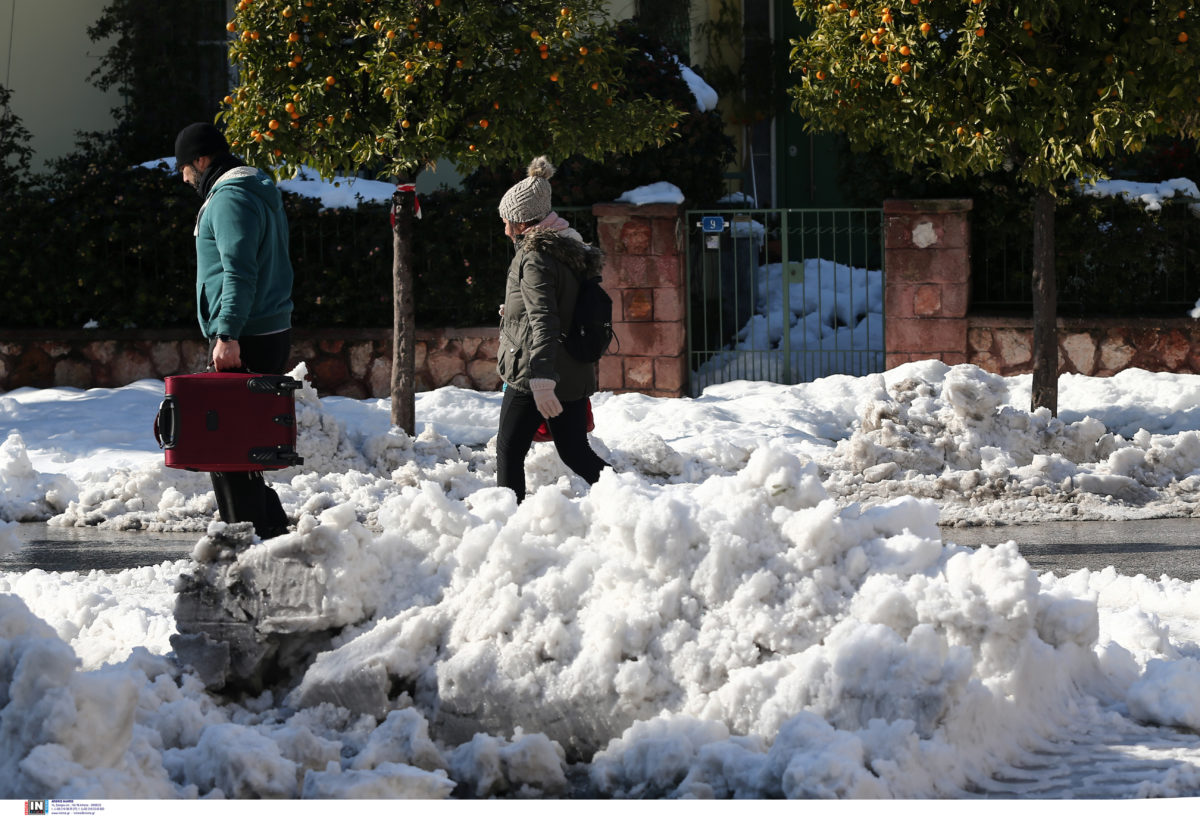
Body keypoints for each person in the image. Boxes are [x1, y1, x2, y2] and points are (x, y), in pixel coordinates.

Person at [174, 122, 294, 539]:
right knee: (240, 449)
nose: (184, 177)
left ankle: (245, 545)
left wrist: (226, 334)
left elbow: (238, 272)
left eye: (184, 167)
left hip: (245, 333)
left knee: (226, 449)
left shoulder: (229, 200)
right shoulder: (255, 190)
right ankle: (271, 536)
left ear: (201, 160)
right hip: (262, 328)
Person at [495, 156, 609, 502]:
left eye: (506, 221)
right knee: (574, 451)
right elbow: (560, 303)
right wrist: (513, 311)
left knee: (509, 450)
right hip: (572, 368)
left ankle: (506, 520)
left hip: (537, 370)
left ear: (519, 221)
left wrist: (542, 380)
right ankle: (632, 497)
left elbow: (544, 318)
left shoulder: (534, 257)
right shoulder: (569, 247)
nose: (504, 228)